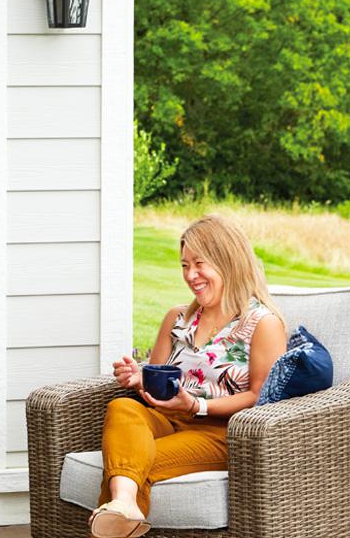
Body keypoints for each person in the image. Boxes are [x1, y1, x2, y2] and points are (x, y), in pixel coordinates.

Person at [89, 215, 287, 538]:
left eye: (199, 264)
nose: (190, 275)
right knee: (122, 408)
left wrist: (197, 405)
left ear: (227, 262)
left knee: (130, 467)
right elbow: (154, 382)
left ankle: (121, 501)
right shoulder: (178, 318)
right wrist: (138, 379)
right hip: (167, 417)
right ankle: (125, 505)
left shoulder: (262, 323)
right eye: (184, 265)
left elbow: (259, 397)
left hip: (219, 432)